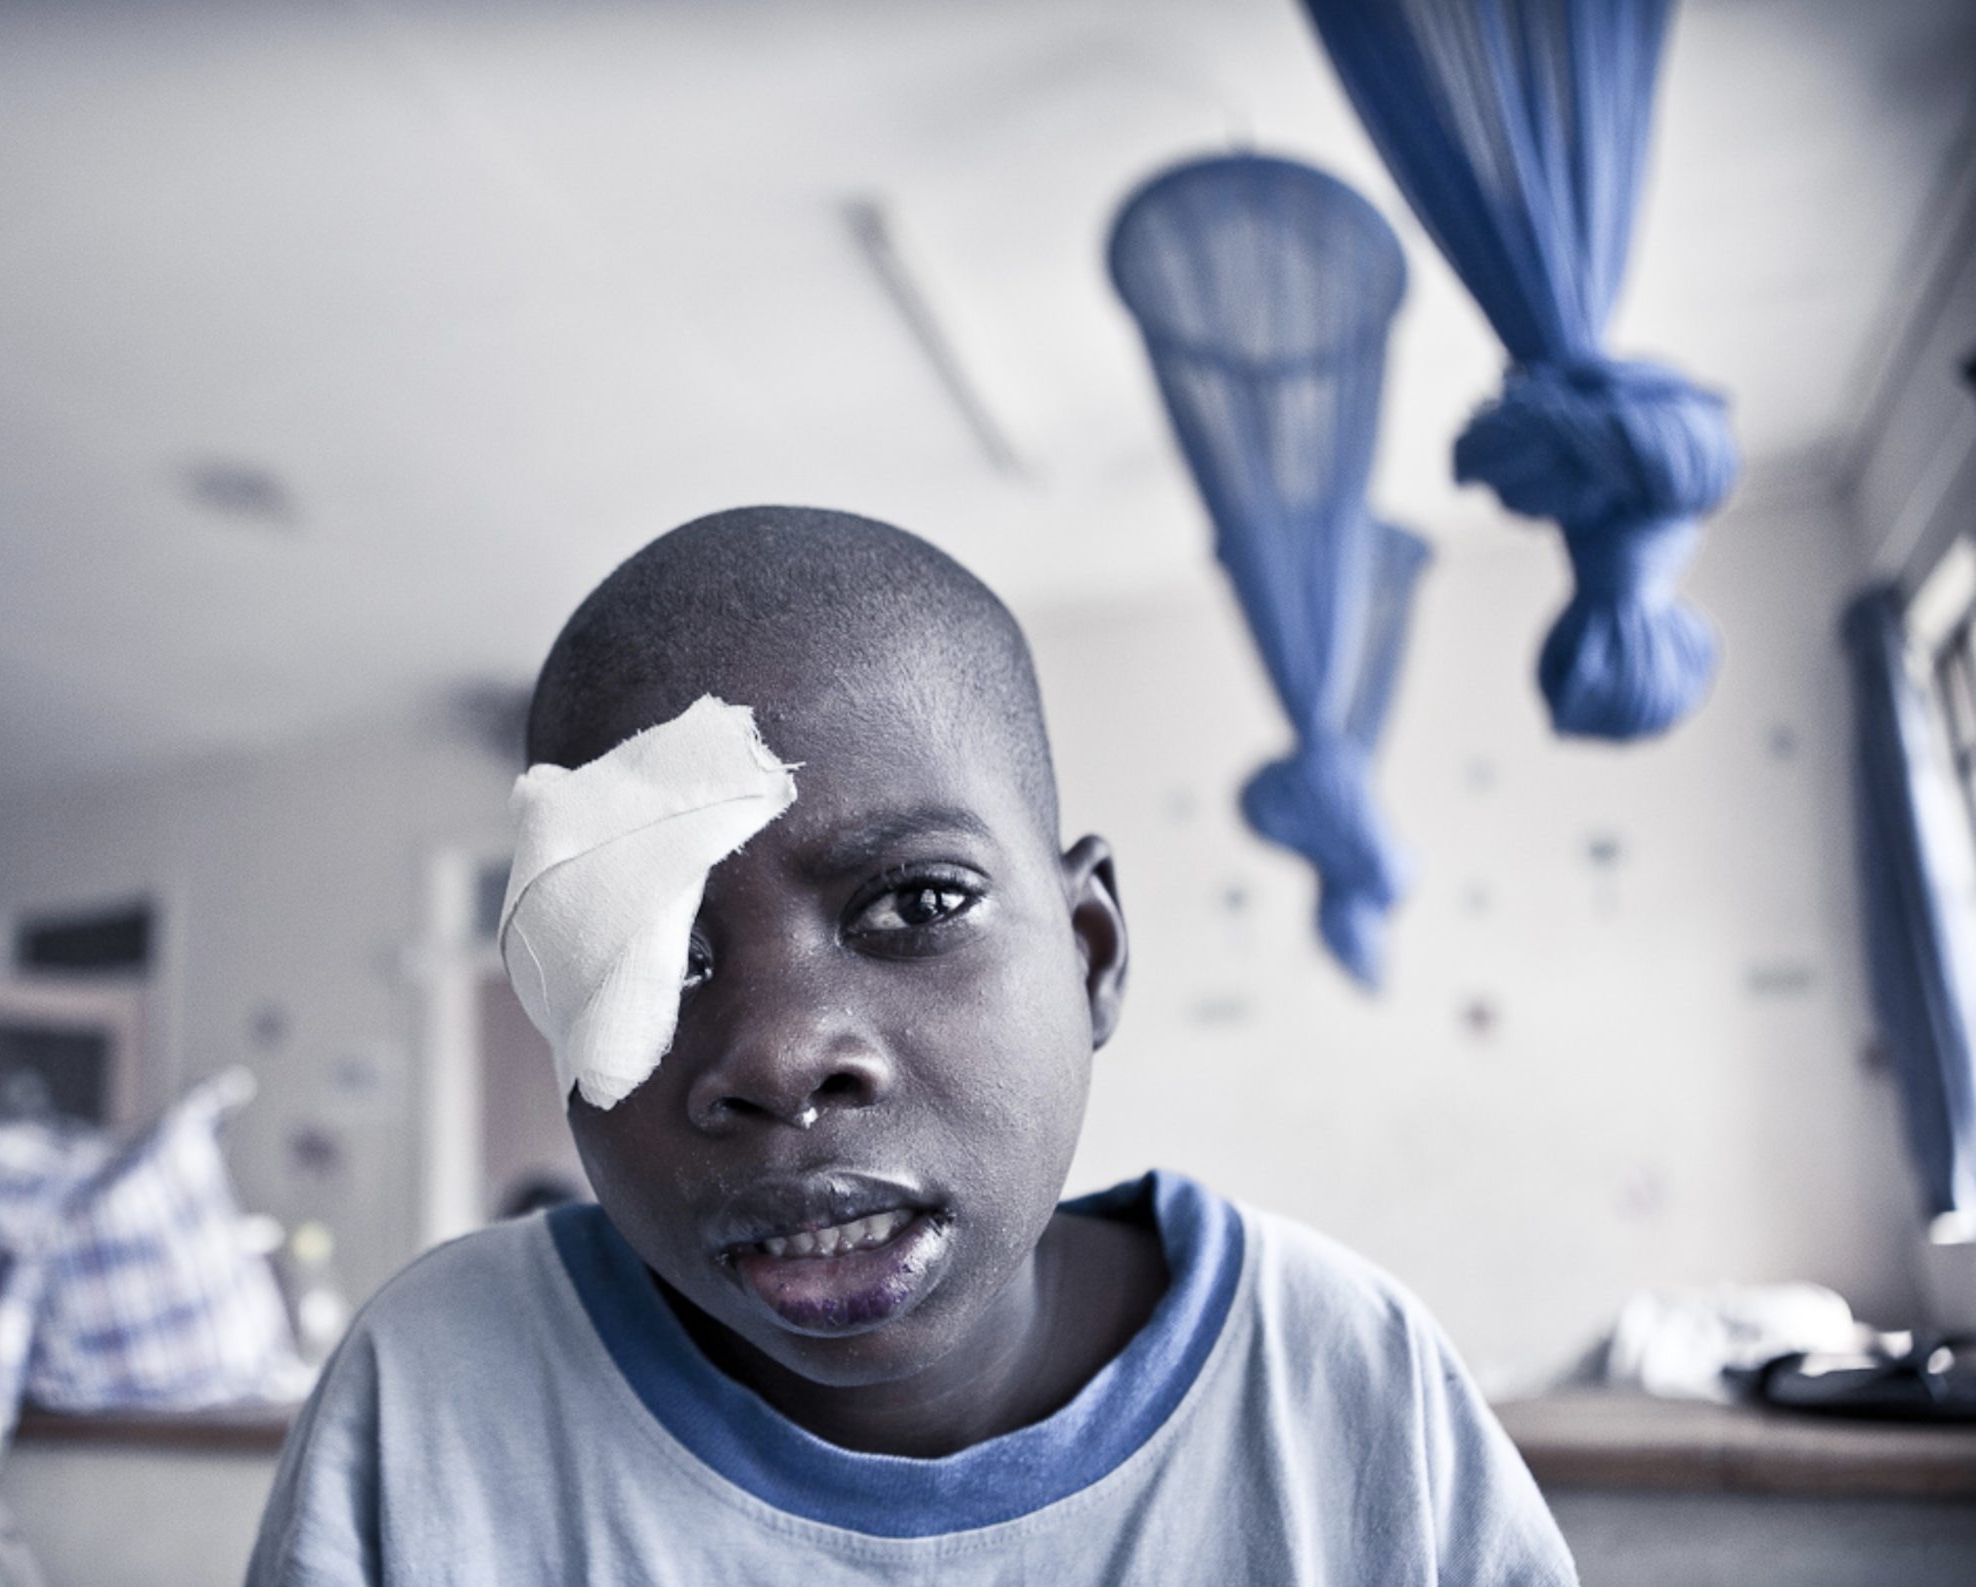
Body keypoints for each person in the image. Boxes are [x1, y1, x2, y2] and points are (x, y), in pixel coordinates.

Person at [246, 507, 1574, 1584]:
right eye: (652, 959)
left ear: (1093, 950)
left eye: (915, 903)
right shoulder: (434, 1395)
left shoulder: (1341, 1384)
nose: (776, 1054)